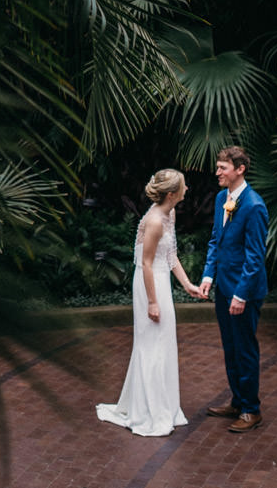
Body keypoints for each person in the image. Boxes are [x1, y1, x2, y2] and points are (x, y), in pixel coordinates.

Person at [97, 169, 202, 437]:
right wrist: (152, 303)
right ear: (171, 194)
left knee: (163, 342)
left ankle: (163, 406)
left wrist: (187, 284)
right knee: (150, 344)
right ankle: (148, 412)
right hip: (149, 284)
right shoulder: (155, 220)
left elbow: (172, 255)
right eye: (183, 186)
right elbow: (145, 263)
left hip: (162, 280)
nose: (187, 189)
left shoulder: (170, 214)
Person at [197, 145, 269, 433]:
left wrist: (241, 294)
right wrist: (207, 276)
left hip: (244, 292)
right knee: (230, 347)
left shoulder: (254, 206)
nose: (217, 173)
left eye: (222, 168)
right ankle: (238, 401)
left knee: (245, 348)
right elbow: (216, 240)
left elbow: (255, 256)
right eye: (217, 167)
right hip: (223, 287)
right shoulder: (219, 199)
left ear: (240, 169)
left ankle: (252, 410)